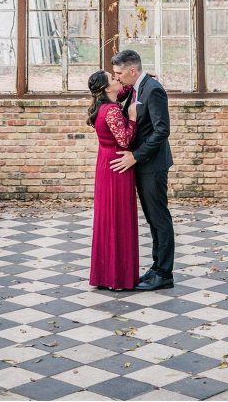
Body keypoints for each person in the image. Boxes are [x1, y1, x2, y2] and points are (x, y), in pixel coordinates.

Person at [109, 49, 175, 290]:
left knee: (159, 219)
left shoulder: (153, 89)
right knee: (152, 218)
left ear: (132, 70)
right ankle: (157, 267)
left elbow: (162, 130)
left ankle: (164, 273)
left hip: (152, 166)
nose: (116, 78)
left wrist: (135, 156)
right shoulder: (138, 87)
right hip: (143, 165)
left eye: (119, 73)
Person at [87, 69, 140, 291]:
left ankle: (105, 274)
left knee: (108, 216)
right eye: (113, 78)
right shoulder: (111, 111)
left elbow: (124, 88)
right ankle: (118, 277)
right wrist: (132, 117)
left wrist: (139, 78)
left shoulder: (104, 104)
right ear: (107, 88)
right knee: (118, 216)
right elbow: (125, 139)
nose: (117, 78)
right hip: (117, 164)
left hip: (105, 162)